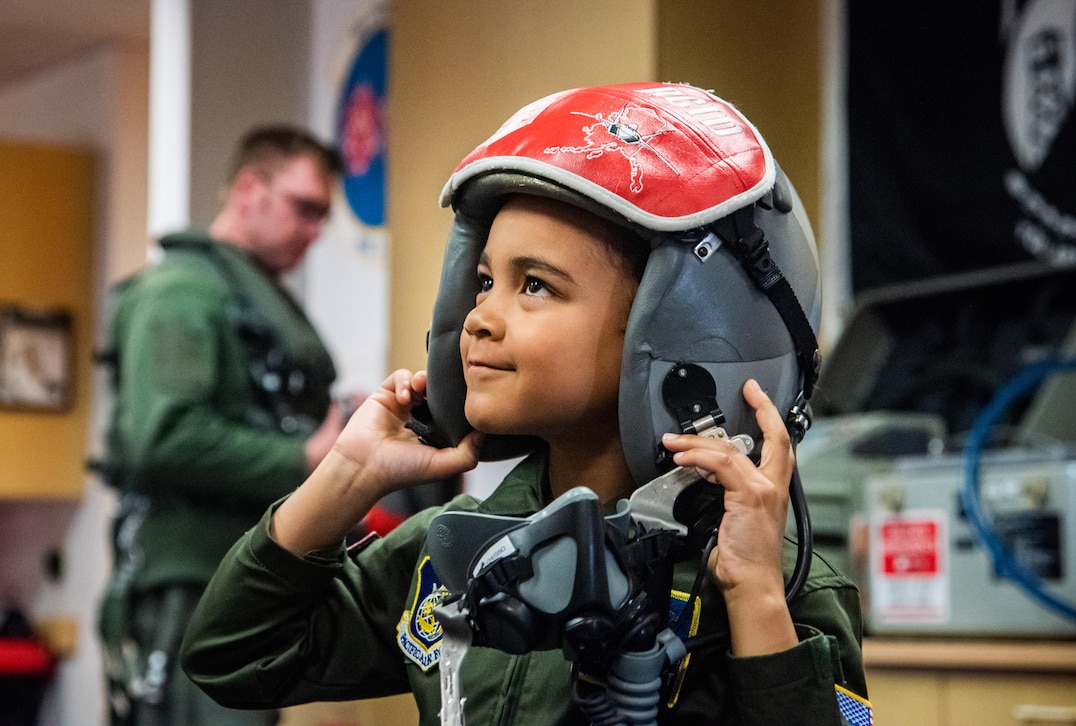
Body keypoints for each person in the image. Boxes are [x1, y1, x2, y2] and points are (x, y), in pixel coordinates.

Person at [180, 83, 872, 725]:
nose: (480, 318)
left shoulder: (779, 583)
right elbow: (233, 655)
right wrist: (346, 477)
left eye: (535, 286)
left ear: (677, 332)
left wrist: (754, 599)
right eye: (484, 282)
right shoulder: (453, 550)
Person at [97, 125, 347, 726]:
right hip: (189, 581)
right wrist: (304, 457)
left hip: (241, 574)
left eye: (323, 217)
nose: (315, 232)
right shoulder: (182, 292)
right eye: (304, 209)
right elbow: (164, 437)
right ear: (248, 189)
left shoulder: (244, 293)